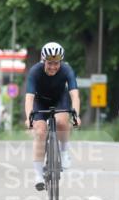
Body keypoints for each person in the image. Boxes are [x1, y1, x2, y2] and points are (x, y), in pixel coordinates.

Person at [25, 42, 81, 191]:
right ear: (44, 61)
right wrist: (28, 118)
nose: (53, 67)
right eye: (50, 63)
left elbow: (74, 95)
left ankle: (63, 153)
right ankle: (38, 175)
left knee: (62, 122)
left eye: (56, 63)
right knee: (40, 131)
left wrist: (76, 114)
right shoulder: (35, 71)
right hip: (39, 102)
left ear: (60, 62)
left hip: (60, 100)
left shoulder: (67, 70)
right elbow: (29, 98)